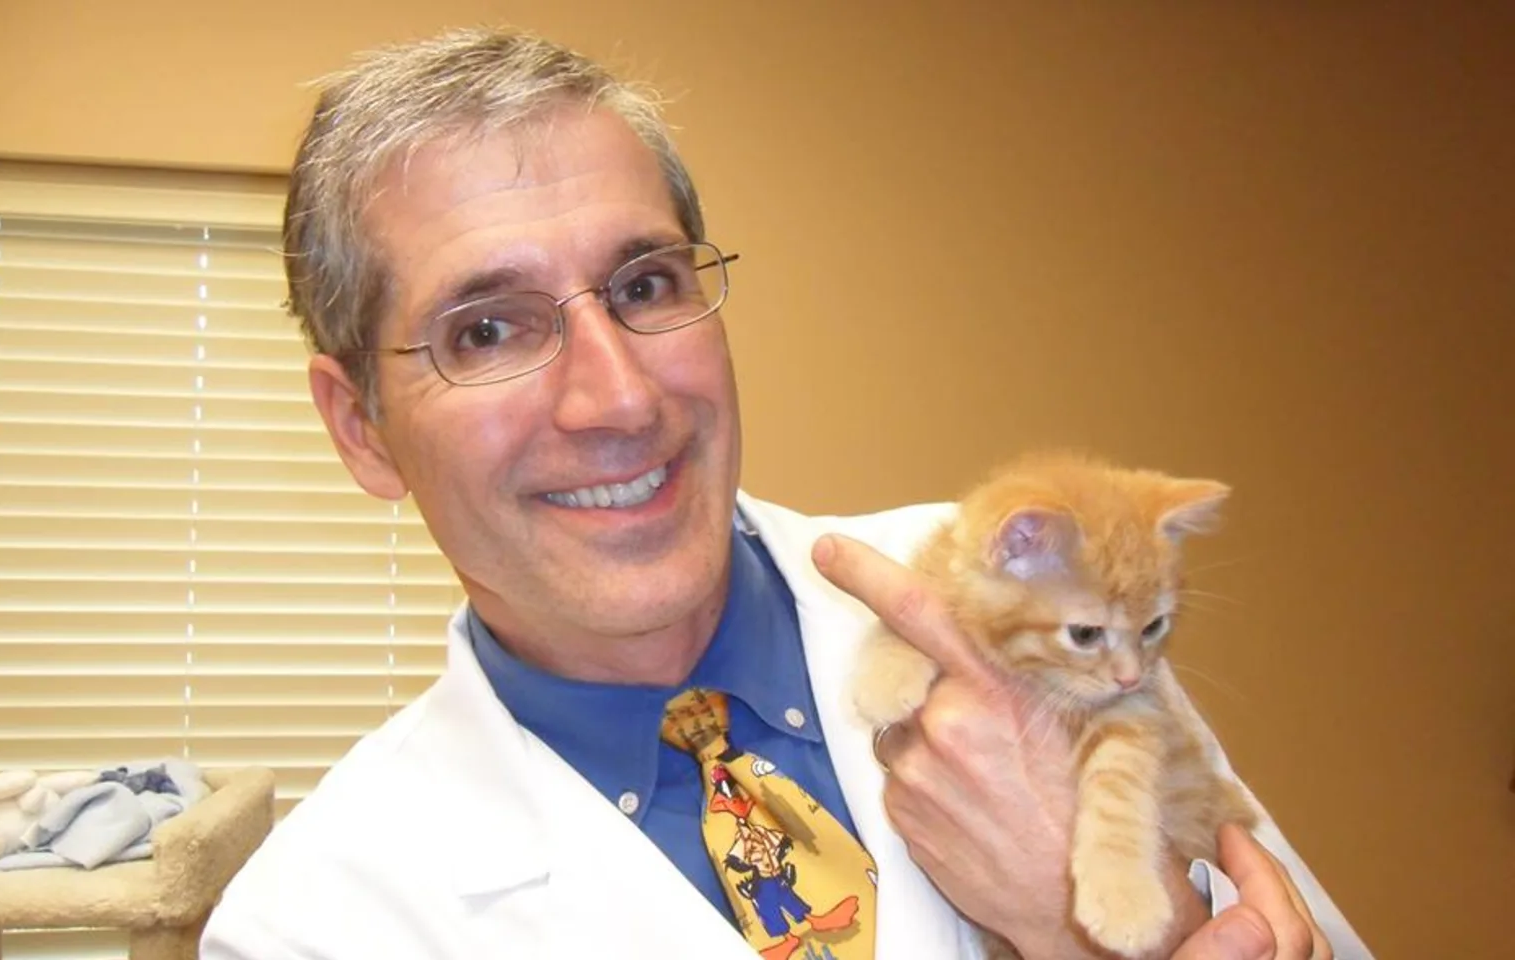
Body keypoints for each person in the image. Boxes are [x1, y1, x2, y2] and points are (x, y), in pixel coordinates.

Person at [201, 27, 1370, 960]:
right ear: (362, 430)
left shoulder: (1012, 606)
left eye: (644, 285)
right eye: (488, 329)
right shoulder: (314, 923)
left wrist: (1116, 916)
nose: (618, 398)